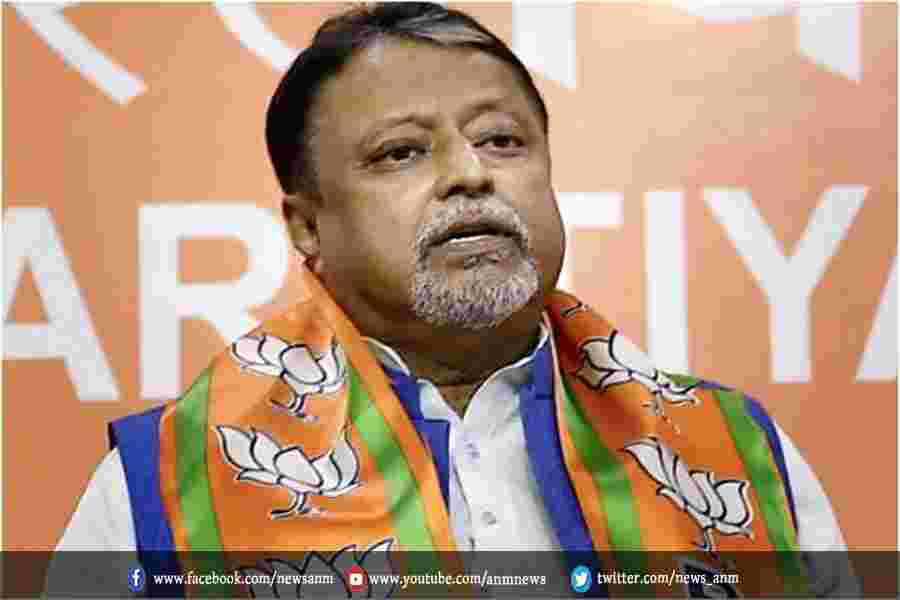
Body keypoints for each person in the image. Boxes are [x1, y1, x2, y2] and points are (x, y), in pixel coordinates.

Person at [53, 2, 856, 597]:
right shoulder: (167, 485)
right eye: (401, 153)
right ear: (308, 227)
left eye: (502, 140)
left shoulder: (731, 454)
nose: (471, 174)